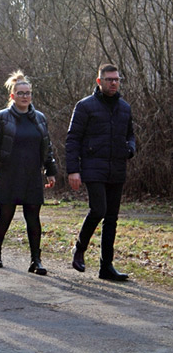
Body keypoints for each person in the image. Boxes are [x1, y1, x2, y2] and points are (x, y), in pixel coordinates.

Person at [67, 63, 135, 281]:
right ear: (99, 81)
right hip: (93, 167)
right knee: (98, 210)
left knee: (112, 219)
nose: (113, 83)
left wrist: (130, 148)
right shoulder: (85, 106)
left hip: (117, 167)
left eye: (116, 79)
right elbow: (72, 139)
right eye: (109, 79)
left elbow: (130, 134)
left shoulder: (124, 107)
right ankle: (80, 248)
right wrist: (73, 171)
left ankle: (106, 266)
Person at [0, 71, 57, 275]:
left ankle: (36, 260)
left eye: (28, 93)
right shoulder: (1, 118)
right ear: (12, 96)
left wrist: (50, 171)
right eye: (20, 93)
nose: (24, 96)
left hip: (32, 175)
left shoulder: (40, 119)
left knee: (33, 218)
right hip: (8, 174)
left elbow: (47, 146)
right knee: (5, 216)